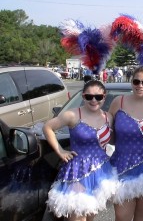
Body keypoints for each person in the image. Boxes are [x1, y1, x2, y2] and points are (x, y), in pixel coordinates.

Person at [43, 80, 118, 221]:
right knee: (77, 216)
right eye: (89, 97)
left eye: (98, 97)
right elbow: (47, 127)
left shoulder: (108, 117)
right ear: (83, 96)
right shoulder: (72, 115)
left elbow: (113, 140)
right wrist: (60, 151)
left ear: (104, 96)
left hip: (101, 171)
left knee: (91, 215)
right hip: (77, 172)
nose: (94, 100)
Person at [108, 65, 143, 221]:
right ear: (131, 82)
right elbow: (104, 130)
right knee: (122, 216)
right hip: (121, 167)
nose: (140, 85)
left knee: (142, 216)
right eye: (136, 81)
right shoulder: (118, 102)